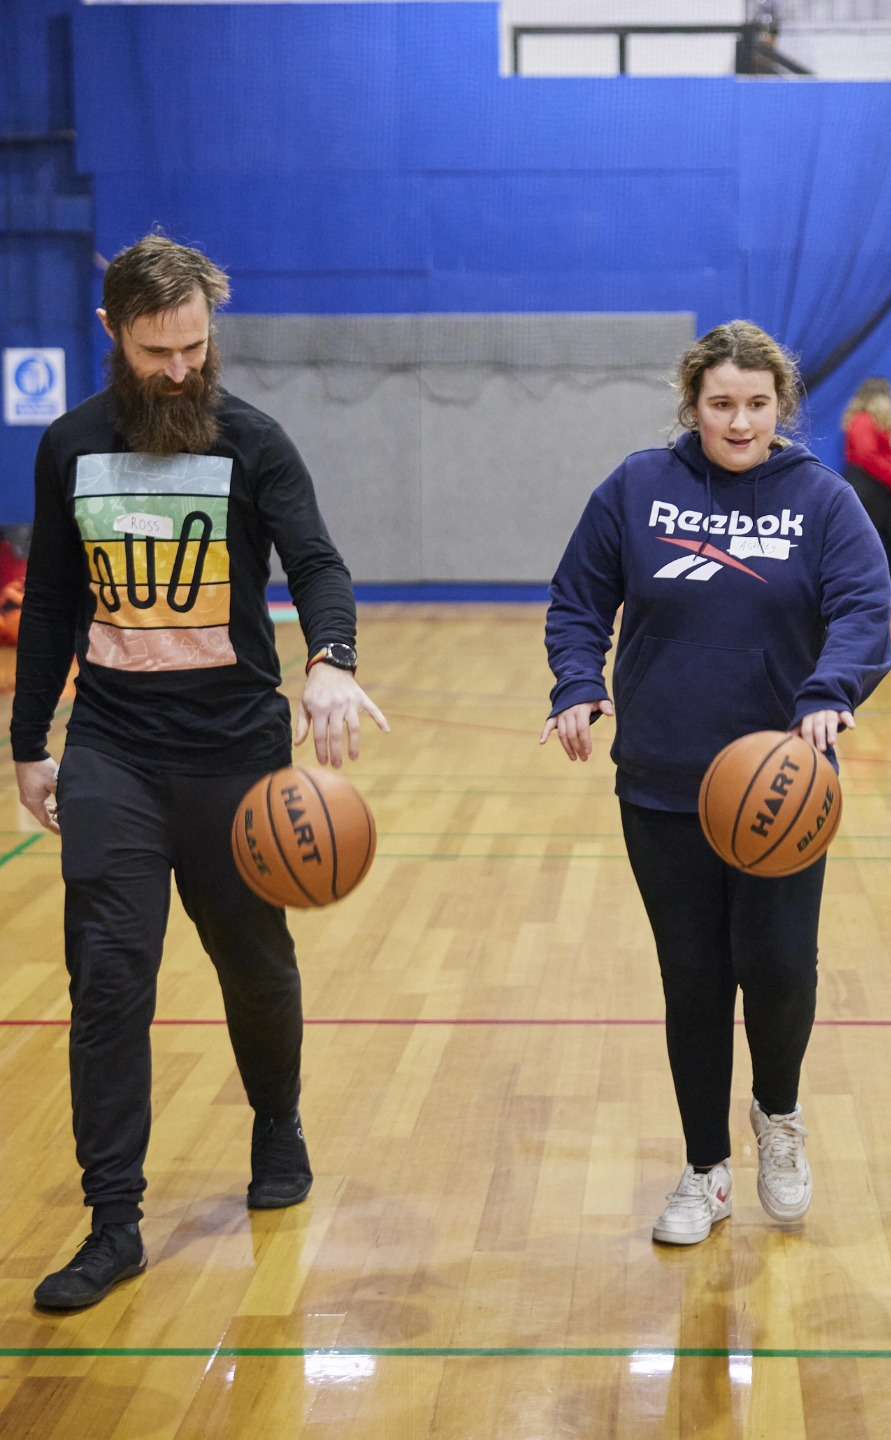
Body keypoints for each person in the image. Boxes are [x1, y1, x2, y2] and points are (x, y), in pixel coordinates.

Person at [11, 234, 389, 1310]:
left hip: (231, 754)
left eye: (194, 346)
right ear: (111, 336)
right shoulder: (71, 449)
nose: (180, 368)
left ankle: (278, 1122)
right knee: (109, 978)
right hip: (115, 751)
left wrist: (330, 662)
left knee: (252, 962)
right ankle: (114, 1222)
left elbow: (317, 563)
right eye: (156, 350)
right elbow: (48, 603)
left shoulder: (253, 445)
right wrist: (29, 743)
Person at [542, 320, 891, 1245]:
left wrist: (829, 693)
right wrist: (578, 683)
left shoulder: (821, 500)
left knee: (778, 970)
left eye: (757, 404)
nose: (739, 423)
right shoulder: (637, 487)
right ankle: (705, 1172)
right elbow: (579, 598)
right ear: (691, 405)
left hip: (784, 787)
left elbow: (865, 610)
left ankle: (777, 1118)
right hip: (663, 783)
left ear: (783, 407)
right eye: (721, 405)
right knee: (693, 981)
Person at [843, 378, 891, 604]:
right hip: (868, 486)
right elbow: (866, 455)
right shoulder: (863, 421)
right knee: (865, 539)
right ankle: (860, 588)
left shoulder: (884, 425)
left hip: (884, 488)